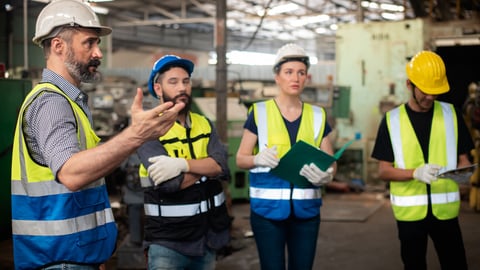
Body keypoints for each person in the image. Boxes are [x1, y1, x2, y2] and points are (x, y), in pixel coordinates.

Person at [10, 1, 184, 269]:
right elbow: (72, 173)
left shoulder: (72, 102)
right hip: (60, 258)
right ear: (58, 46)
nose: (98, 53)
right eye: (89, 43)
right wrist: (136, 135)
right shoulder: (51, 103)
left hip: (74, 255)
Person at [235, 43, 337, 270]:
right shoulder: (259, 113)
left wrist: (327, 175)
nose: (296, 78)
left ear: (307, 78)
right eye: (289, 72)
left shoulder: (318, 115)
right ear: (277, 77)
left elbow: (331, 161)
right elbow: (240, 158)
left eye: (301, 73)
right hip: (266, 213)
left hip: (307, 212)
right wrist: (256, 159)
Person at [371, 50, 473, 270]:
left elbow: (464, 159)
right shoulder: (392, 121)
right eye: (426, 92)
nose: (430, 97)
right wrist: (414, 173)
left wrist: (464, 174)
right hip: (410, 215)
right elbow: (383, 171)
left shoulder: (452, 115)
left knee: (456, 264)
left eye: (435, 93)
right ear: (410, 85)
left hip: (445, 212)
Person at [137, 54, 231, 270]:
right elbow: (171, 184)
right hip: (168, 242)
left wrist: (183, 165)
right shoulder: (148, 129)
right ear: (158, 89)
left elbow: (223, 166)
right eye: (173, 82)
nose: (182, 87)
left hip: (207, 237)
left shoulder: (204, 123)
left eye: (186, 81)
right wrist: (209, 167)